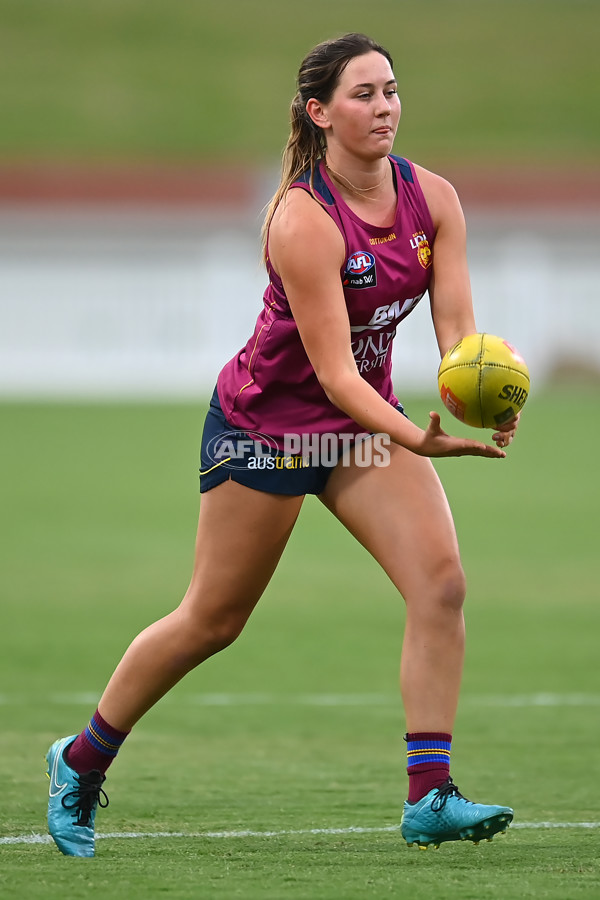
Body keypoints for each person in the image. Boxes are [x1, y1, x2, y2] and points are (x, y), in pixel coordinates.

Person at [46, 32, 519, 858]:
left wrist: (482, 396)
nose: (384, 108)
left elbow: (458, 337)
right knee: (212, 620)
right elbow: (335, 374)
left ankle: (429, 793)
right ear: (320, 112)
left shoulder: (432, 199)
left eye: (392, 91)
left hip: (359, 434)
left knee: (441, 585)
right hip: (267, 435)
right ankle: (79, 761)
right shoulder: (303, 219)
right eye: (364, 95)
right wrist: (416, 438)